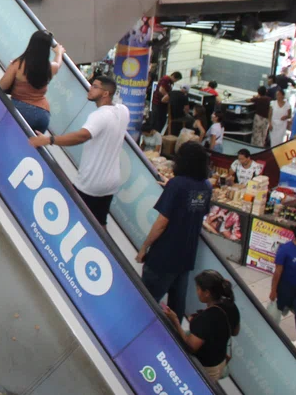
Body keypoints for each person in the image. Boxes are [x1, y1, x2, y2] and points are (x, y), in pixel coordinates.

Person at [29, 76, 130, 225]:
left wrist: (48, 140)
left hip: (91, 183)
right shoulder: (123, 111)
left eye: (95, 87)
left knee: (75, 222)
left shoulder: (99, 115)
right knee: (100, 223)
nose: (90, 89)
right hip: (110, 183)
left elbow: (81, 136)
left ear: (105, 94)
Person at [137, 143, 213, 321]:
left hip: (163, 256)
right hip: (186, 258)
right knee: (176, 310)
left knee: (145, 304)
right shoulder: (206, 187)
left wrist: (144, 247)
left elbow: (161, 223)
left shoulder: (177, 185)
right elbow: (194, 205)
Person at [164, 271, 240, 380]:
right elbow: (235, 332)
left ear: (207, 293)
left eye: (198, 289)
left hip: (205, 369)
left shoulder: (206, 318)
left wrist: (175, 321)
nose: (197, 292)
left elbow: (191, 346)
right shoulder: (231, 306)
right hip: (220, 362)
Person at [0, 31, 62, 134]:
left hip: (21, 109)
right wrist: (59, 52)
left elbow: (2, 86)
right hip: (43, 115)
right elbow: (58, 63)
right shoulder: (50, 68)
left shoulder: (18, 64)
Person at [270, 223, 296, 343]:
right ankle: (270, 336)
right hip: (286, 288)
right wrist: (273, 290)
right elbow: (278, 272)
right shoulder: (285, 250)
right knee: (275, 315)